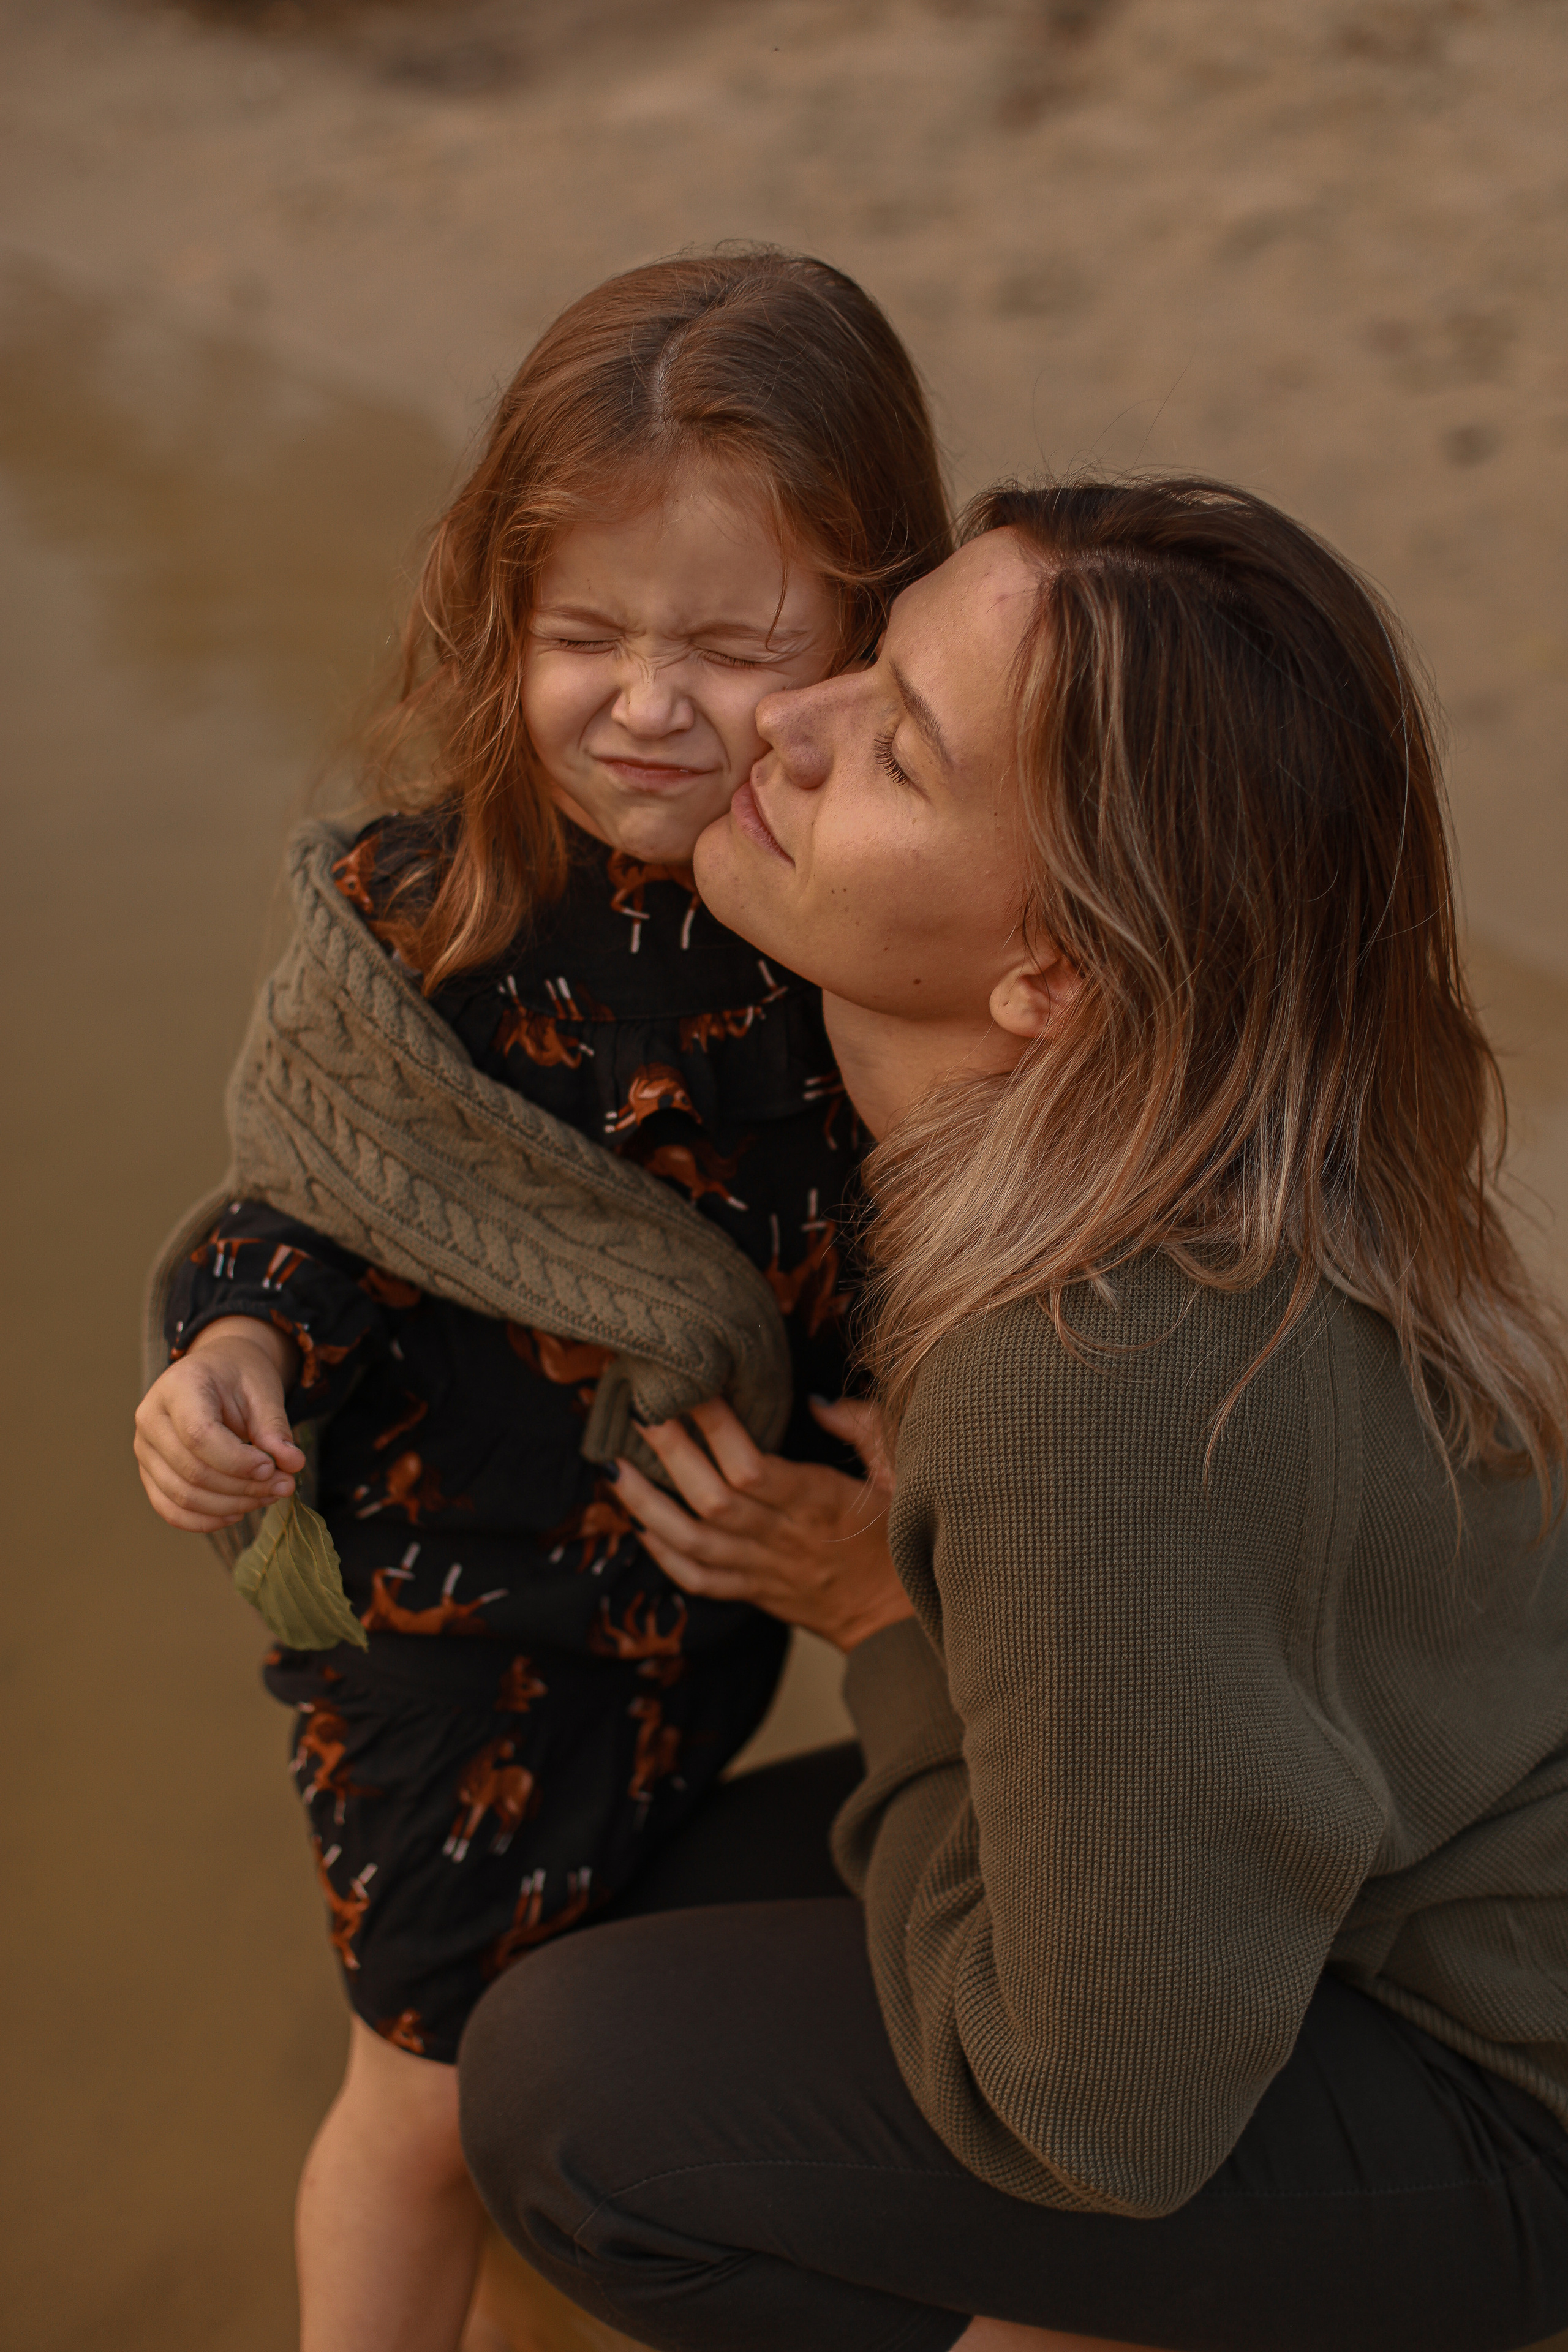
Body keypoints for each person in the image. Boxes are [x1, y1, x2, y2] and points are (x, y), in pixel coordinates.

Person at [455, 478, 1568, 2352]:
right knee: (607, 1917)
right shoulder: (1196, 1135)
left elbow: (1103, 2119)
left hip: (1500, 2082)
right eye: (870, 659)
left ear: (1051, 977)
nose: (779, 721)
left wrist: (888, 1633)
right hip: (1355, 1879)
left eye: (892, 746)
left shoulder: (1088, 1362)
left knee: (570, 2092)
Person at [132, 249, 949, 2352]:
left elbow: (929, 1233)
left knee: (535, 2068)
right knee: (417, 2098)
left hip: (697, 1620)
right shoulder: (434, 903)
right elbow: (310, 1202)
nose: (649, 701)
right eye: (582, 633)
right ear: (494, 610)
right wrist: (227, 1357)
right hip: (447, 1625)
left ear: (874, 631)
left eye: (734, 644)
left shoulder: (866, 920)